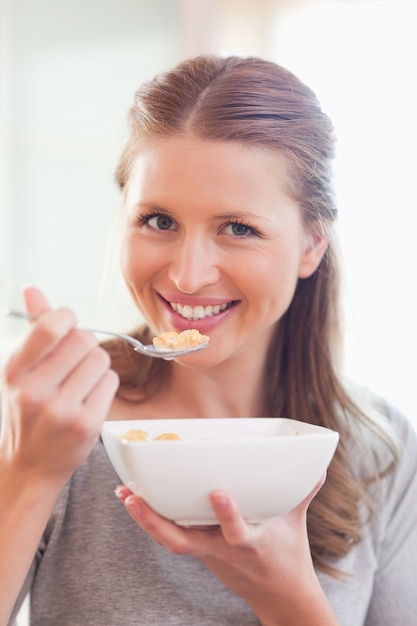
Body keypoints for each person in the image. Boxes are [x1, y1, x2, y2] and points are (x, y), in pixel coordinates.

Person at [1, 55, 416, 626]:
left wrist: (288, 601)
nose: (188, 276)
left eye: (239, 228)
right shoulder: (44, 420)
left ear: (311, 246)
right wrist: (29, 473)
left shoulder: (383, 450)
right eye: (158, 220)